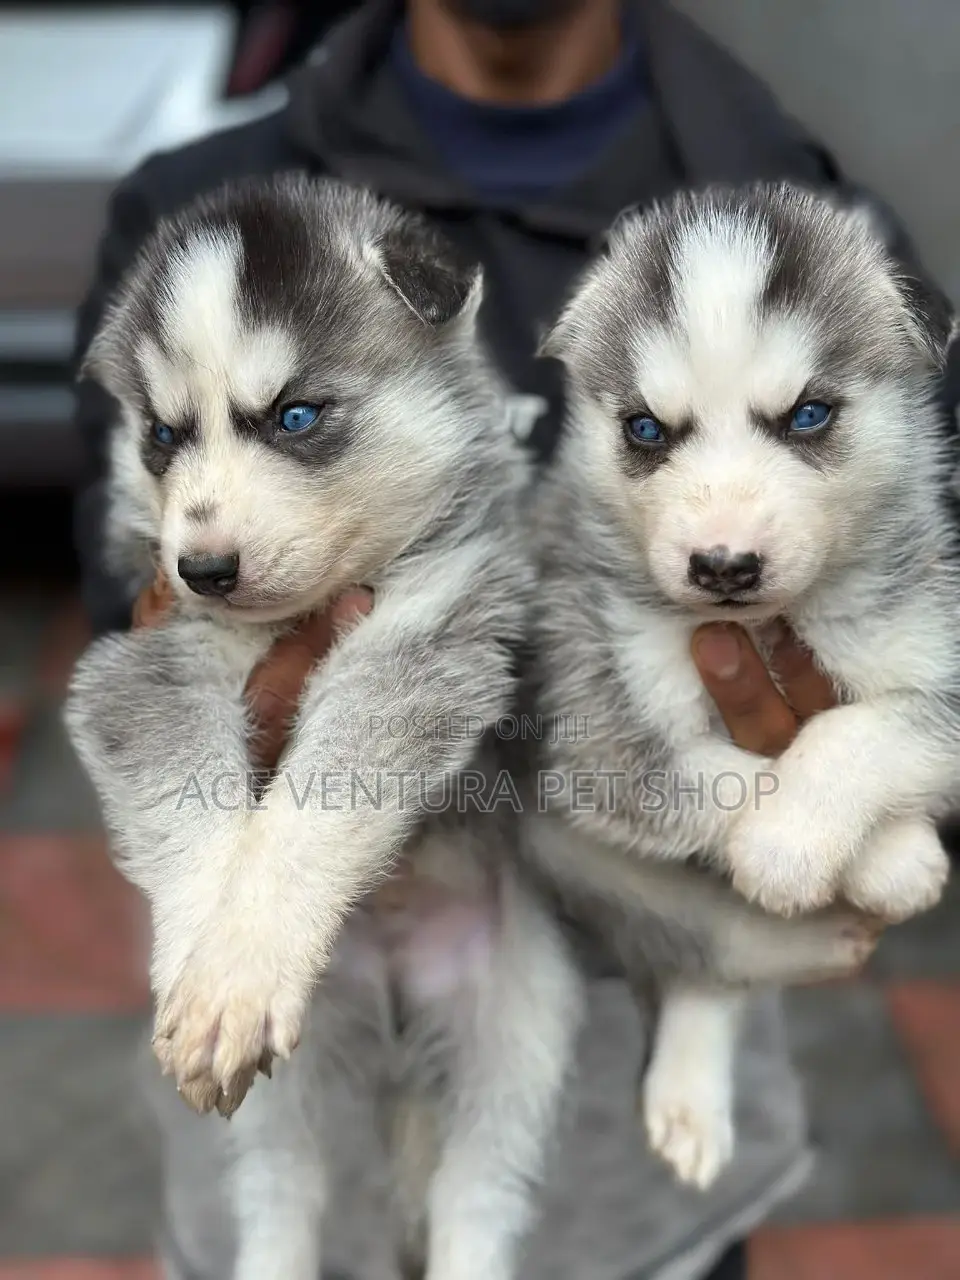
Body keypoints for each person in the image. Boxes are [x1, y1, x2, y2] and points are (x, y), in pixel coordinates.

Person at [72, 2, 954, 1277]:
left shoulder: (818, 222)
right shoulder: (190, 204)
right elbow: (134, 622)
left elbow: (927, 618)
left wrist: (838, 764)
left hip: (624, 1162)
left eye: (296, 416)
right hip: (278, 1088)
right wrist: (232, 732)